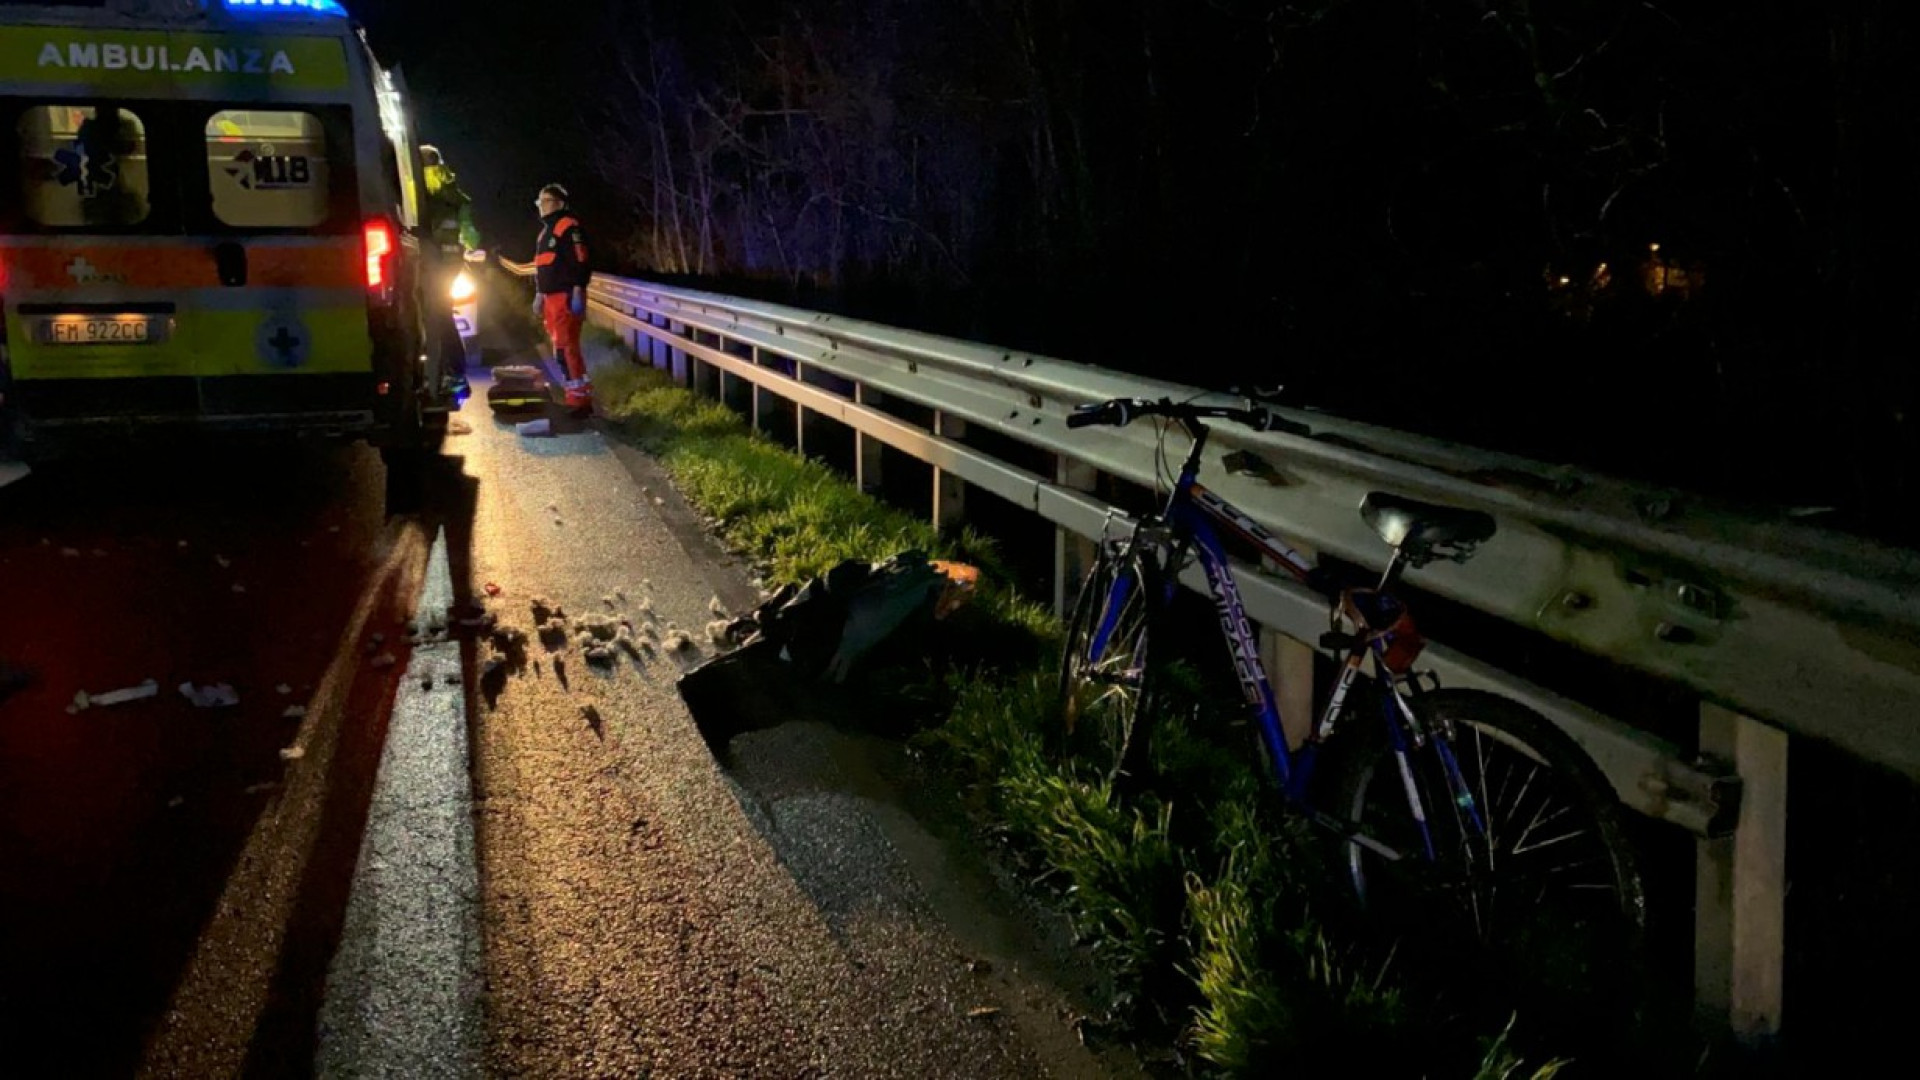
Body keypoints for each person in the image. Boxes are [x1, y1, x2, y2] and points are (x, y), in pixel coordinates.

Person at [421, 145, 481, 400]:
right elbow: (472, 239)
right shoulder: (458, 198)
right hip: (449, 266)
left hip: (429, 265)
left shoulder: (418, 190)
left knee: (434, 318)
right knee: (442, 317)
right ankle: (453, 373)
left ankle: (445, 373)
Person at [532, 183, 593, 414]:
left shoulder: (568, 227)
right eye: (540, 202)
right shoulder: (545, 232)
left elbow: (580, 259)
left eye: (545, 201)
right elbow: (542, 267)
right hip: (551, 298)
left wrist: (578, 288)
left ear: (558, 203)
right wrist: (539, 295)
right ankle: (576, 393)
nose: (541, 207)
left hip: (566, 295)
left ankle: (578, 400)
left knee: (567, 347)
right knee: (561, 348)